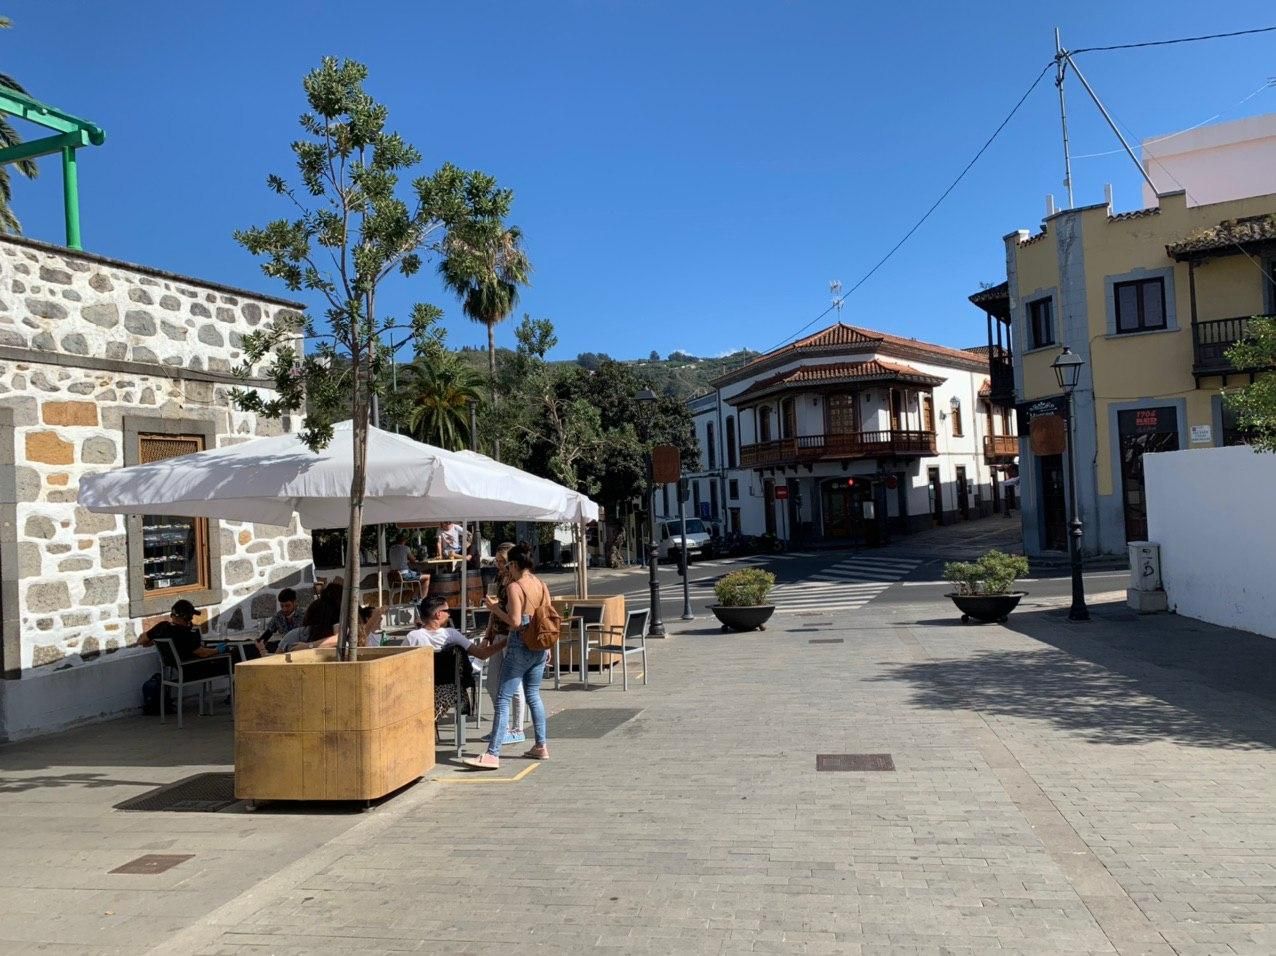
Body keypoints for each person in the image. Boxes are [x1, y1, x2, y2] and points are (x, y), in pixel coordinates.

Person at [464, 548, 550, 769]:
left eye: (508, 565)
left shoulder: (514, 586)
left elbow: (514, 622)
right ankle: (541, 745)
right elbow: (548, 613)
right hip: (539, 645)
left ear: (513, 565)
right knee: (533, 695)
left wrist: (494, 609)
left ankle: (492, 754)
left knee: (503, 698)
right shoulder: (540, 583)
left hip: (519, 644)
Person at [405, 596, 505, 720]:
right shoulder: (450, 634)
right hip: (449, 689)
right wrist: (505, 642)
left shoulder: (412, 637)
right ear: (438, 614)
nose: (449, 615)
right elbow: (481, 654)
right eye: (447, 611)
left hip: (418, 689)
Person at [481, 542, 526, 744]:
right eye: (497, 561)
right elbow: (493, 609)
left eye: (503, 562)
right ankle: (502, 726)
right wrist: (488, 633)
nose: (499, 565)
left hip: (512, 634)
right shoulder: (499, 578)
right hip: (498, 632)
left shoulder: (517, 581)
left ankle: (517, 728)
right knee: (492, 683)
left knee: (513, 684)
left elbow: (516, 613)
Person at [137, 599, 223, 661]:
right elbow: (202, 653)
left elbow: (142, 642)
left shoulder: (162, 627)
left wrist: (154, 640)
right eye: (191, 617)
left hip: (174, 667)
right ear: (185, 617)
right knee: (229, 655)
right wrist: (218, 650)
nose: (191, 620)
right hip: (190, 669)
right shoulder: (186, 633)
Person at [255, 588, 302, 656]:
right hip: (285, 651)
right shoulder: (278, 617)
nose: (284, 609)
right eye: (282, 606)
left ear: (294, 603)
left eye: (287, 606)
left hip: (301, 650)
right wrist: (260, 643)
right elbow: (267, 634)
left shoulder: (304, 615)